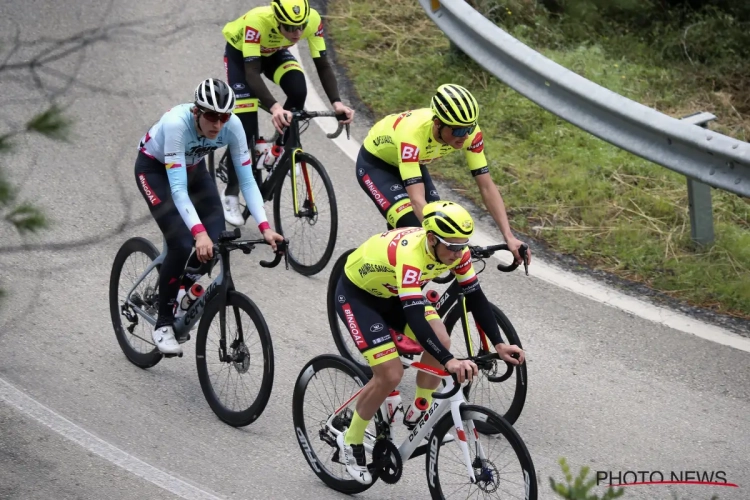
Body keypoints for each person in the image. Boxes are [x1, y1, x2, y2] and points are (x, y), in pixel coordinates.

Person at [332, 200, 526, 484]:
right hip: (359, 296)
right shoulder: (412, 255)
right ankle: (351, 439)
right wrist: (449, 360)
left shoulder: (454, 250)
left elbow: (475, 297)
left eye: (463, 246)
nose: (459, 253)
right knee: (390, 374)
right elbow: (415, 316)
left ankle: (419, 409)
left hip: (393, 294)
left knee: (442, 337)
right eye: (453, 247)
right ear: (432, 238)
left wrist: (498, 343)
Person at [134, 78, 284, 356]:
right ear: (197, 112)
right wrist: (197, 233)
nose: (218, 124)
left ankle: (180, 290)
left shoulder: (232, 127)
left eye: (224, 117)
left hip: (192, 169)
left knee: (218, 241)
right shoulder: (177, 124)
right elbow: (177, 191)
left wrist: (265, 228)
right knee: (181, 242)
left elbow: (248, 181)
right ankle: (163, 325)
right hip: (154, 170)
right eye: (212, 116)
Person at [356, 83, 531, 266]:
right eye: (459, 130)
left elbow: (486, 186)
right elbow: (417, 200)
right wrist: (445, 241)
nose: (465, 136)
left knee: (445, 224)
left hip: (414, 163)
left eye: (469, 128)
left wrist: (509, 236)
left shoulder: (470, 134)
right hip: (377, 164)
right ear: (437, 123)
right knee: (415, 224)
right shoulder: (412, 134)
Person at [220, 0, 355, 225]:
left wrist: (337, 103)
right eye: (290, 28)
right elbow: (252, 73)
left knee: (298, 89)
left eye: (300, 26)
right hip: (241, 56)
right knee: (246, 129)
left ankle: (278, 150)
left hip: (274, 52)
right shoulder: (258, 21)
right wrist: (274, 107)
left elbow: (322, 64)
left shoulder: (313, 20)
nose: (297, 33)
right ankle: (231, 192)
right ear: (277, 20)